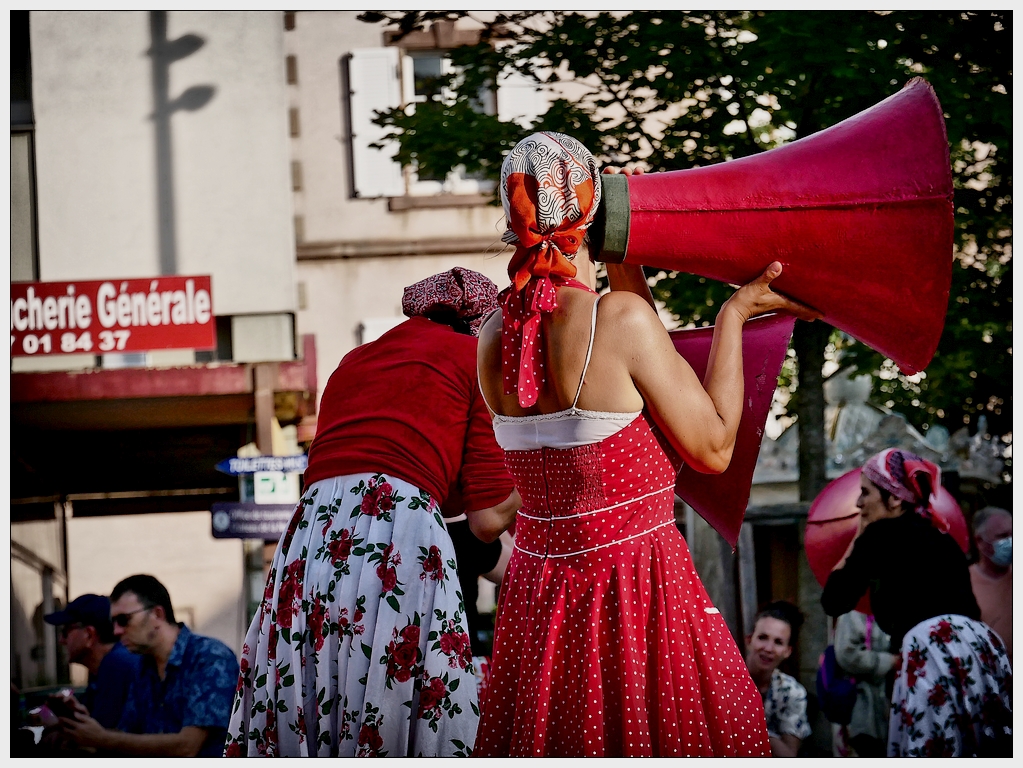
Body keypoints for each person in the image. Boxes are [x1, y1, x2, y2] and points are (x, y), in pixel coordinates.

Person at [472, 131, 820, 757]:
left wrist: (622, 264)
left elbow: (621, 354)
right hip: (633, 592)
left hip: (538, 601)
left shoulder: (494, 333)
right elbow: (712, 446)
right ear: (592, 217)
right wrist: (732, 317)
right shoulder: (620, 323)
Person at [225, 268, 519, 757]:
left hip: (311, 536)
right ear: (481, 323)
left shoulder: (354, 360)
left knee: (318, 689)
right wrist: (539, 481)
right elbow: (486, 518)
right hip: (395, 528)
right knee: (396, 693)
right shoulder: (477, 357)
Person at [821, 449, 1012, 757]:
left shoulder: (879, 535)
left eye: (865, 494)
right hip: (978, 654)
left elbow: (834, 599)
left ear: (895, 499)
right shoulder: (944, 540)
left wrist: (859, 537)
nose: (859, 504)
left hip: (931, 654)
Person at [58, 574, 239, 757]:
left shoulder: (210, 657)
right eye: (113, 622)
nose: (116, 630)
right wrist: (83, 729)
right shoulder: (144, 666)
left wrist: (101, 738)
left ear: (157, 614)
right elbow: (126, 736)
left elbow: (188, 747)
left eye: (124, 620)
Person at [44, 593, 141, 730]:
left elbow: (104, 740)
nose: (61, 640)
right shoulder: (100, 669)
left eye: (65, 631)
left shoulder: (116, 665)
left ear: (89, 635)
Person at [744, 602, 812, 757]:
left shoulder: (792, 692)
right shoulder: (722, 683)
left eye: (778, 642)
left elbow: (788, 756)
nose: (768, 648)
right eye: (762, 638)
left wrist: (757, 730)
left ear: (787, 651)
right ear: (749, 641)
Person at [830, 610, 894, 757]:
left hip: (885, 702)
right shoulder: (853, 613)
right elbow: (847, 654)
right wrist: (888, 661)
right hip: (859, 700)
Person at [969, 506, 1012, 665]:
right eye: (1002, 536)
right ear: (979, 541)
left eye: (1013, 535)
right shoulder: (965, 583)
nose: (1010, 542)